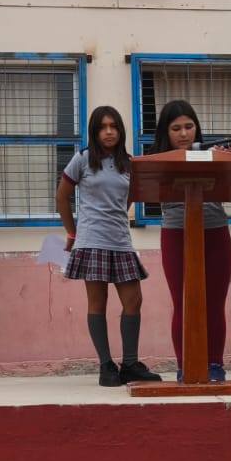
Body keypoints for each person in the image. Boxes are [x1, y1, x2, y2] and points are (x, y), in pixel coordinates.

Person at [56, 106, 162, 386]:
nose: (109, 132)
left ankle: (129, 364)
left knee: (133, 300)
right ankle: (106, 366)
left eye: (114, 126)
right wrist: (71, 232)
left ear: (121, 130)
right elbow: (62, 197)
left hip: (121, 242)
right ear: (94, 131)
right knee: (97, 303)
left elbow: (126, 201)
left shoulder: (129, 162)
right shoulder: (82, 159)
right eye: (103, 127)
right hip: (92, 242)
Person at [153, 100, 231, 383]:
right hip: (176, 233)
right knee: (183, 302)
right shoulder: (157, 159)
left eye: (189, 126)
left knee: (214, 303)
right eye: (176, 128)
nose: (184, 133)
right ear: (166, 132)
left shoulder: (212, 155)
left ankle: (214, 364)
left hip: (215, 230)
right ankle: (185, 365)